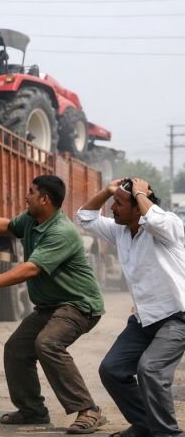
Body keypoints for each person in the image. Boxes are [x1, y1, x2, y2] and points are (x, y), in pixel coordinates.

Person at [0, 175, 107, 434]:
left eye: (31, 192)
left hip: (78, 305)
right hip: (50, 307)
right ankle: (32, 410)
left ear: (45, 199)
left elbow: (31, 269)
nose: (26, 196)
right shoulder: (33, 219)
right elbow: (8, 226)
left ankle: (89, 410)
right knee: (17, 349)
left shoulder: (60, 232)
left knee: (48, 344)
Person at [77, 177, 185, 437]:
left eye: (119, 203)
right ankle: (145, 424)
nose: (112, 208)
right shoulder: (121, 231)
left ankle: (167, 434)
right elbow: (85, 218)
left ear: (138, 207)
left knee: (150, 370)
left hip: (177, 317)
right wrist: (107, 190)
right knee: (112, 370)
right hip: (145, 319)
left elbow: (157, 220)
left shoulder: (167, 226)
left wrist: (138, 193)